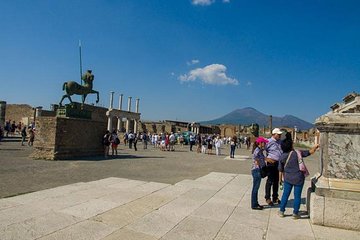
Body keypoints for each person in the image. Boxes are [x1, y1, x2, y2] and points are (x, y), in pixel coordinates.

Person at [278, 133, 319, 219]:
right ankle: (295, 213)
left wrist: (280, 180)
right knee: (297, 196)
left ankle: (281, 211)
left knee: (285, 195)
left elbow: (280, 170)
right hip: (299, 178)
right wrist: (315, 147)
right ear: (290, 146)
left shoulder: (282, 157)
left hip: (288, 178)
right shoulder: (298, 153)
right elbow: (309, 152)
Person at [264, 128, 283, 206]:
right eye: (278, 134)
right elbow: (261, 150)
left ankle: (275, 197)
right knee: (270, 180)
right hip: (271, 163)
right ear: (274, 134)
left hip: (278, 163)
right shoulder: (268, 142)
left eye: (280, 134)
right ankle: (267, 198)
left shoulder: (280, 142)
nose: (280, 135)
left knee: (276, 181)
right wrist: (266, 158)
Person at [251, 137, 269, 210]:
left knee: (256, 187)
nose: (265, 144)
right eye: (264, 143)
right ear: (260, 143)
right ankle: (254, 204)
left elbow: (263, 159)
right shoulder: (257, 151)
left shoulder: (260, 150)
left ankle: (255, 203)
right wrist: (261, 168)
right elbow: (257, 161)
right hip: (257, 170)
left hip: (257, 170)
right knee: (255, 188)